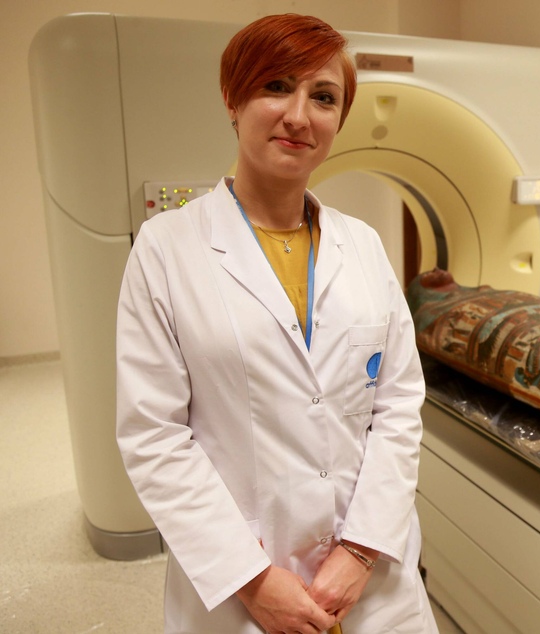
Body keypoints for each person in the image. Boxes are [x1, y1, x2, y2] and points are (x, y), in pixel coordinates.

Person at [116, 14, 439, 633]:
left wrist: (361, 549)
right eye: (275, 87)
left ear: (339, 120)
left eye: (323, 97)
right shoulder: (167, 248)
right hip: (240, 584)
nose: (299, 116)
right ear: (233, 100)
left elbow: (397, 405)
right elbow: (154, 434)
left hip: (371, 581)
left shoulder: (364, 245)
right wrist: (252, 580)